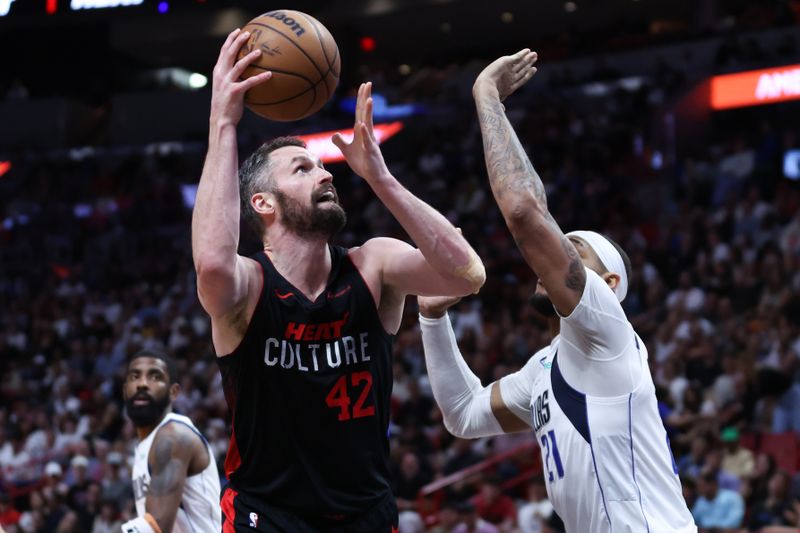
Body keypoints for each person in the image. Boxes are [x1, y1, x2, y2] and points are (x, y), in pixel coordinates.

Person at [191, 29, 485, 532]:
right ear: (264, 204)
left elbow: (466, 274)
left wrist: (380, 178)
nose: (326, 175)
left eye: (321, 167)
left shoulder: (372, 265)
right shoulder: (248, 287)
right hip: (268, 512)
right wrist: (223, 122)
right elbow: (213, 264)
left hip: (365, 511)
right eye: (303, 169)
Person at [418, 49, 697, 532]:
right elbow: (463, 414)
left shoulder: (606, 330)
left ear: (608, 286)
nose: (551, 259)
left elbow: (525, 212)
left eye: (573, 253)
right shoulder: (543, 369)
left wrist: (487, 98)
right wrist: (432, 319)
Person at [121, 349, 220, 533]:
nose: (142, 384)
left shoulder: (174, 436)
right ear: (125, 391)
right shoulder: (147, 444)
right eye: (135, 377)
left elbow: (156, 526)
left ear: (173, 392)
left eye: (155, 376)